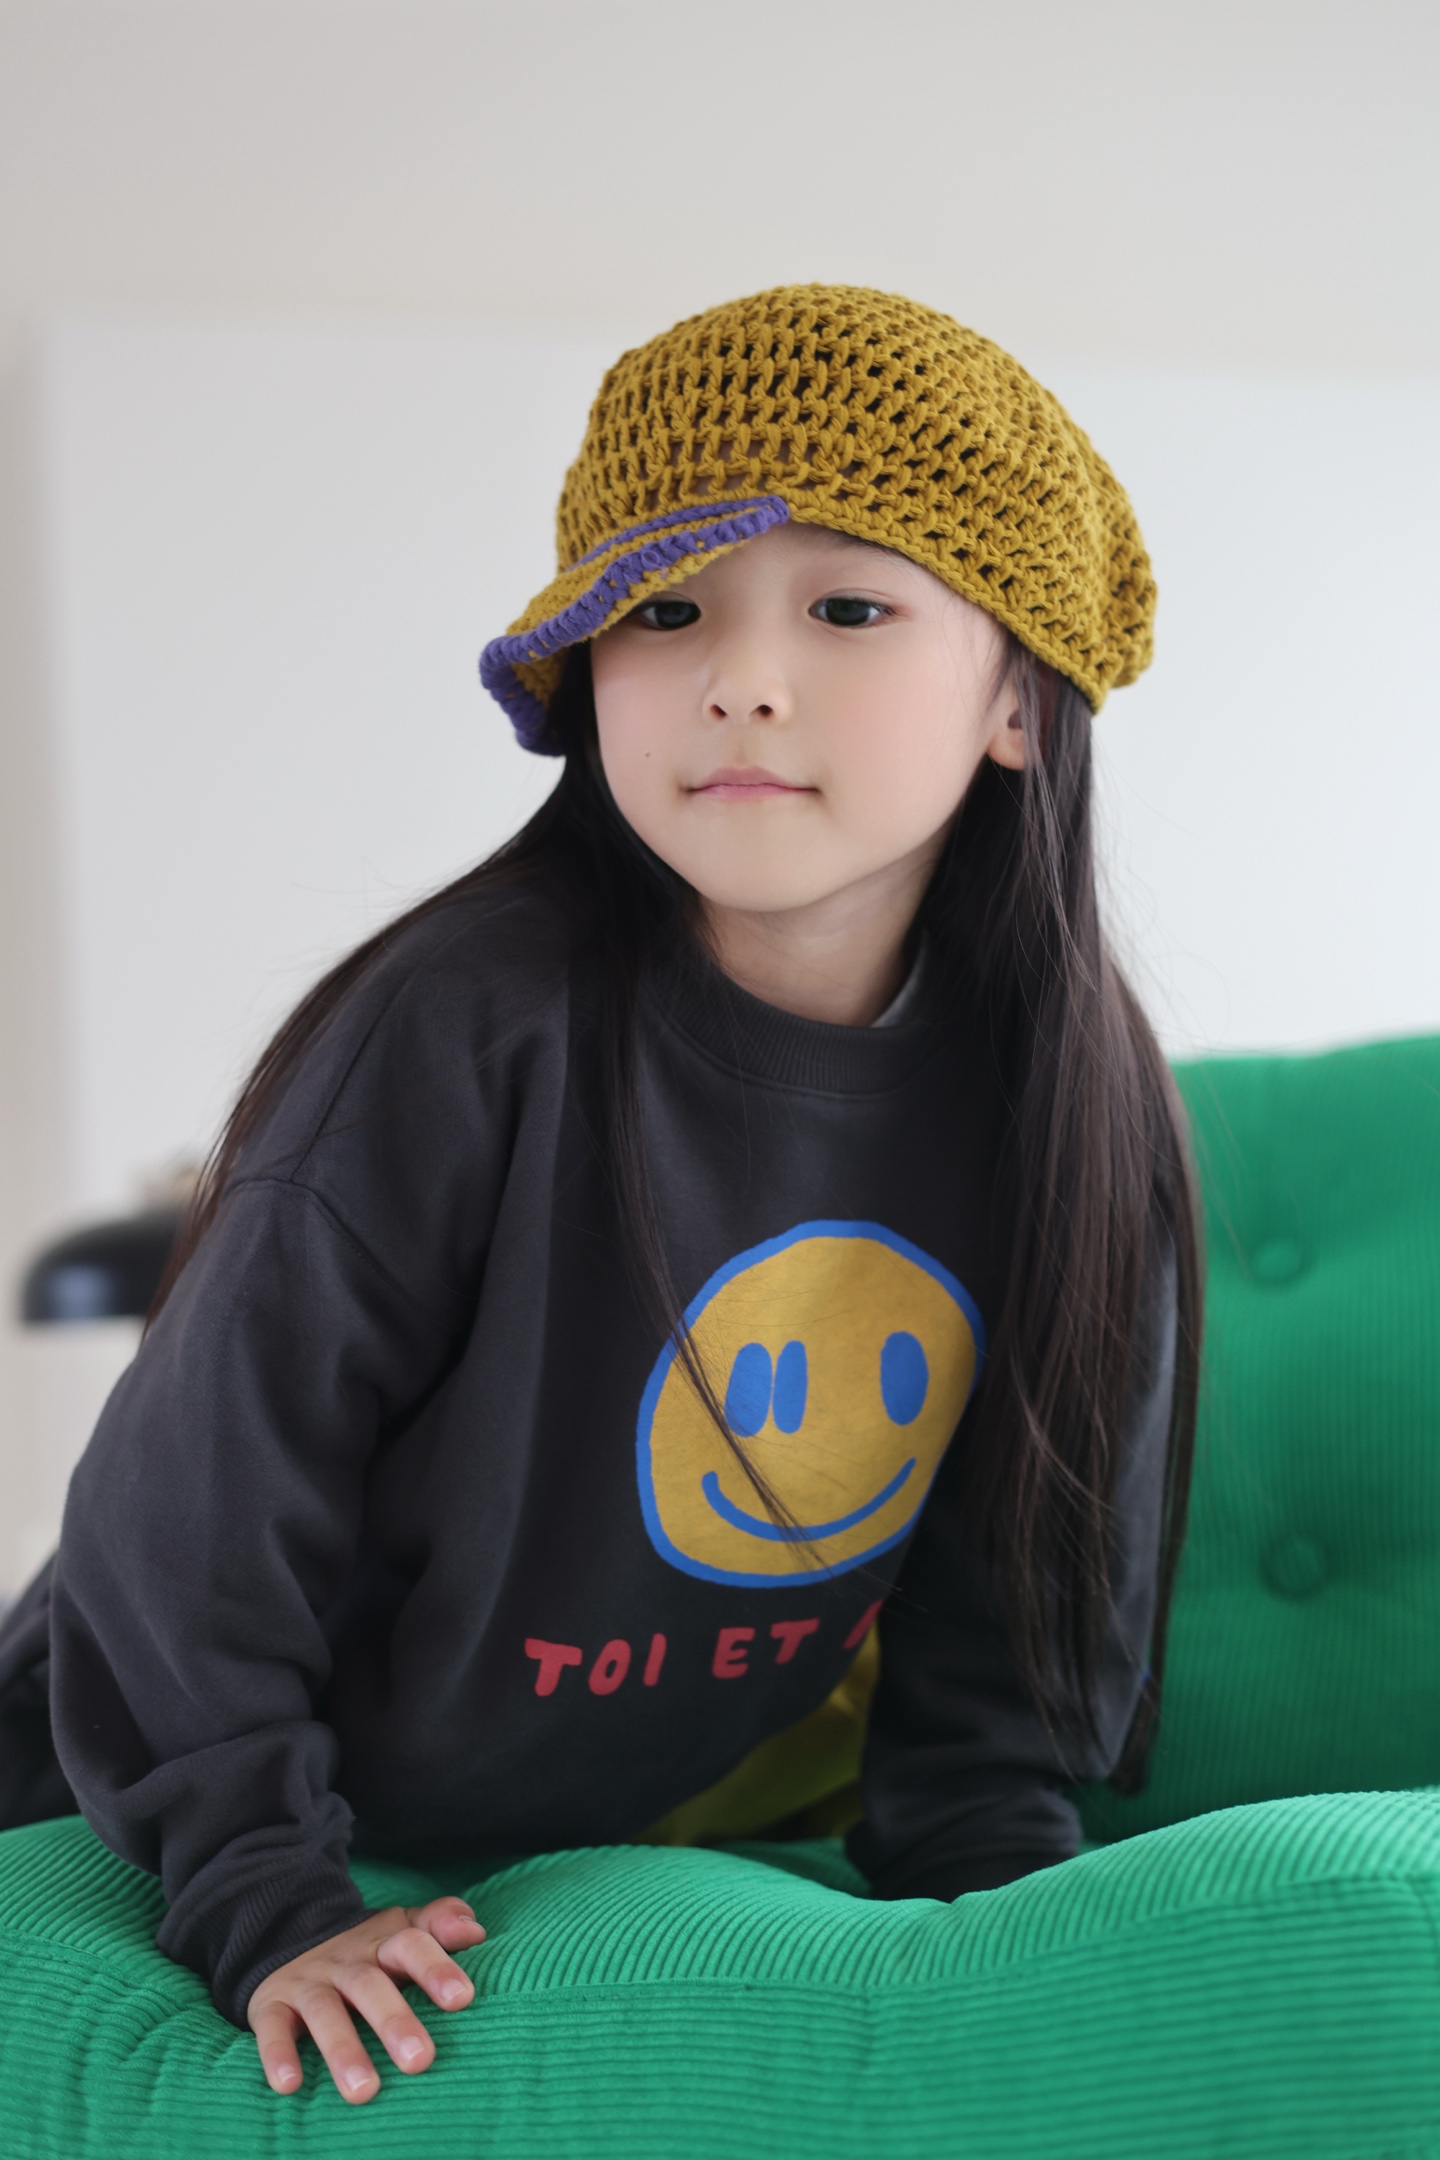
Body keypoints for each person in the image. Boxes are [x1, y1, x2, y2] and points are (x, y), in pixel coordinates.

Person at [0, 285, 1200, 2104]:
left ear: (1022, 699)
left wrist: (996, 1916)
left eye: (848, 608)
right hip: (161, 1800)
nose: (743, 676)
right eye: (666, 607)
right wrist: (260, 1884)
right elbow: (192, 1498)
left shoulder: (1071, 1096)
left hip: (559, 1814)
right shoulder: (463, 1025)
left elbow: (1011, 1634)